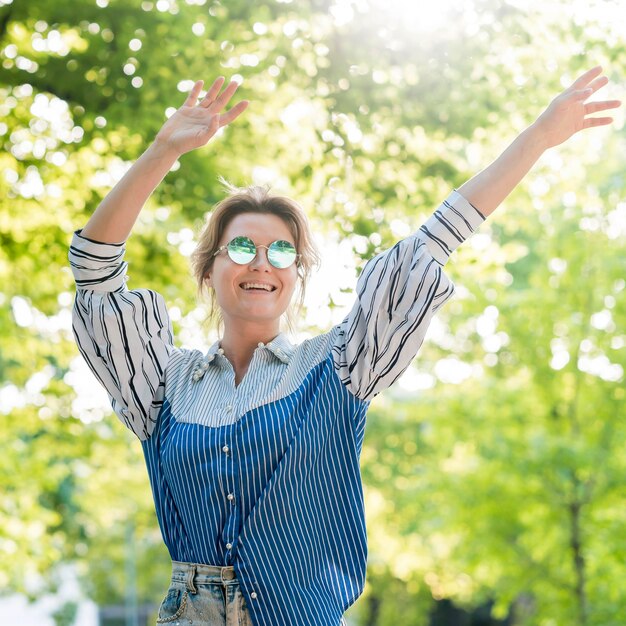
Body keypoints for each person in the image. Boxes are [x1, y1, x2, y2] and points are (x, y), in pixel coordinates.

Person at [68, 69, 619, 626]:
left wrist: (539, 137)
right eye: (241, 246)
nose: (262, 262)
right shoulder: (164, 386)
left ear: (296, 276)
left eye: (282, 252)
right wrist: (163, 151)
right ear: (209, 269)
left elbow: (431, 243)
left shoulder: (338, 367)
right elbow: (95, 271)